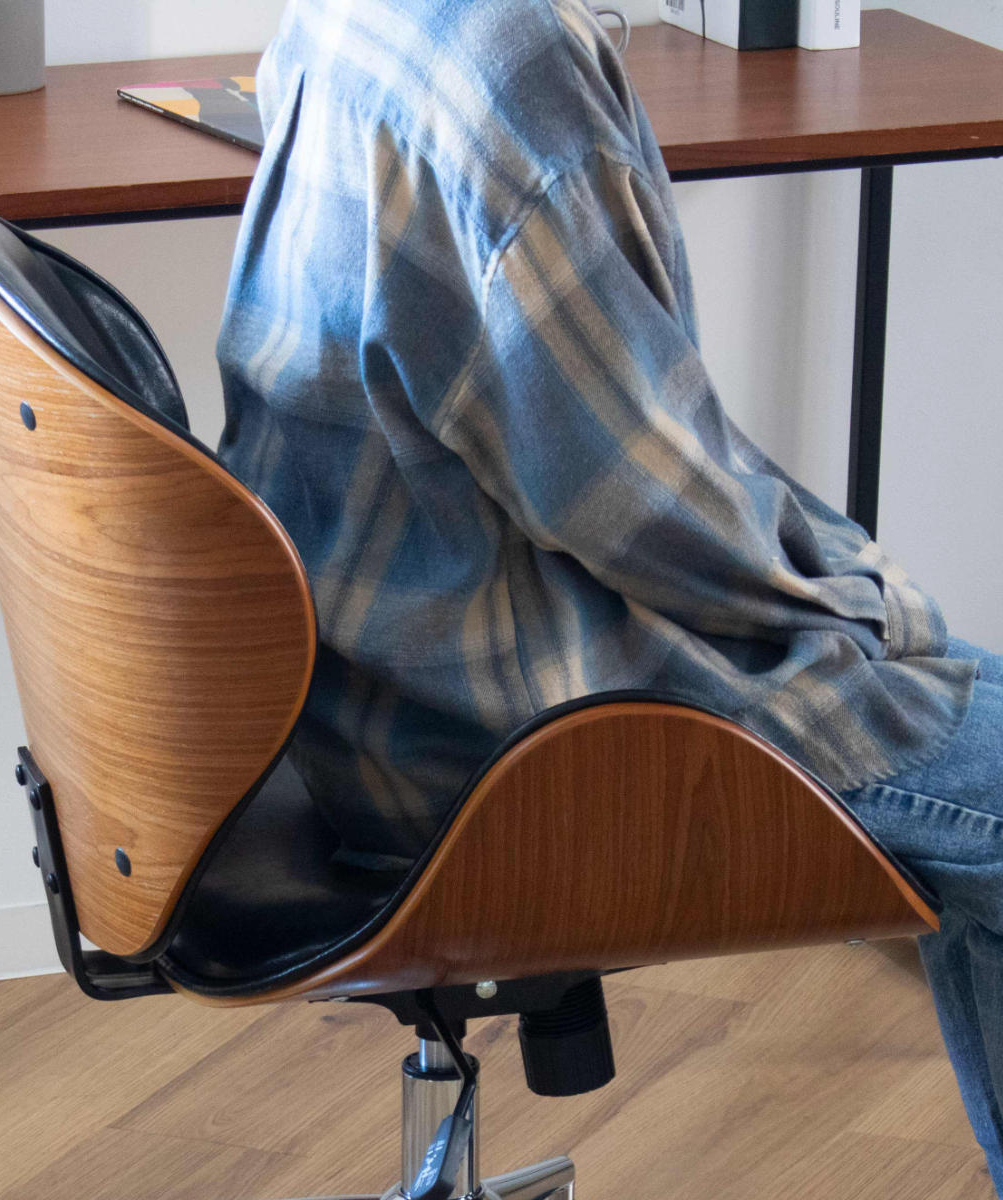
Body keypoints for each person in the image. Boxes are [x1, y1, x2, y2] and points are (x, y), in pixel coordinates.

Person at [215, 0, 1002, 1187]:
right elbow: (639, 498)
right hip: (519, 744)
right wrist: (869, 603)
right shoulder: (514, 65)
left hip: (358, 697)